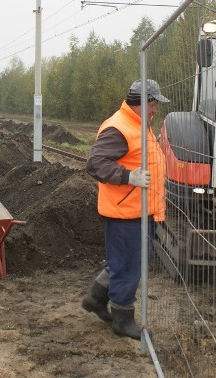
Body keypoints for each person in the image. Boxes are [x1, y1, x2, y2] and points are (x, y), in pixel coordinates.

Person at [82, 79, 168, 340]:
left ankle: (96, 299)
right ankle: (123, 319)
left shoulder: (140, 124)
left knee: (127, 262)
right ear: (140, 103)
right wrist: (128, 177)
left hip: (140, 210)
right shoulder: (119, 127)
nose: (155, 110)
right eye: (152, 104)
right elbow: (95, 163)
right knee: (130, 266)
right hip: (126, 213)